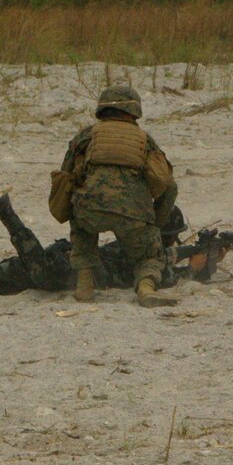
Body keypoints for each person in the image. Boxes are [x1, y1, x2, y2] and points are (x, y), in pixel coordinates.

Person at [0, 193, 212, 296]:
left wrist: (188, 252)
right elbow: (165, 275)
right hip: (59, 273)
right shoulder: (145, 258)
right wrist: (197, 271)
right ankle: (8, 215)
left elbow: (164, 256)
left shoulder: (133, 242)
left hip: (63, 259)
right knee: (30, 270)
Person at [50, 85, 178, 307]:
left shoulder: (85, 136)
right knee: (149, 255)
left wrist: (71, 209)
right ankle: (146, 287)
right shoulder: (144, 140)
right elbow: (168, 185)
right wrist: (154, 225)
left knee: (81, 226)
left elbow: (65, 178)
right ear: (134, 112)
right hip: (133, 214)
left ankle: (85, 285)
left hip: (90, 211)